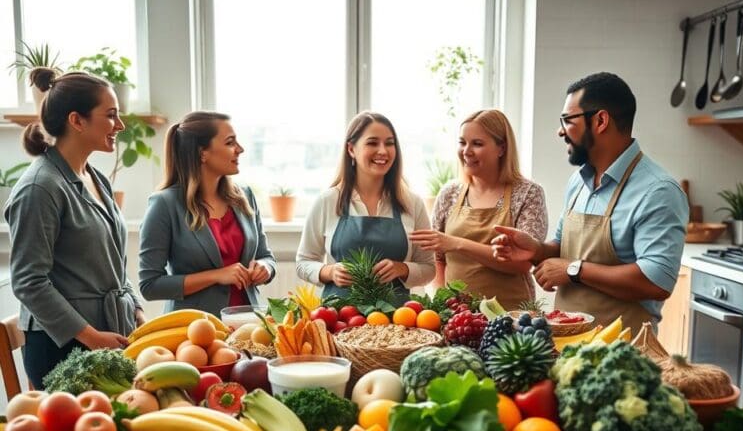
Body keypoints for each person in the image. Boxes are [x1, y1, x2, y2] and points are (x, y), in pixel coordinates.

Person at [492, 72, 688, 334]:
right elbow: (563, 247)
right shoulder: (578, 180)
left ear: (600, 121)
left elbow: (656, 281)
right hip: (567, 347)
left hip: (622, 356)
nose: (560, 130)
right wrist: (536, 250)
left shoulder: (658, 190)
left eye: (567, 120)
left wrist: (574, 270)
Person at [3, 68, 143, 388]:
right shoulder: (39, 188)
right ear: (77, 121)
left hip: (109, 336)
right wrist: (91, 337)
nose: (119, 126)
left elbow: (113, 264)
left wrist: (136, 310)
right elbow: (28, 282)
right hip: (64, 351)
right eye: (110, 116)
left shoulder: (96, 178)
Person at [139, 111, 276, 316]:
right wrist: (216, 276)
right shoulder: (164, 204)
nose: (240, 149)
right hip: (194, 329)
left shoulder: (245, 196)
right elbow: (150, 285)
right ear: (202, 152)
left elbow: (266, 256)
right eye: (230, 143)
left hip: (248, 323)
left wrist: (265, 268)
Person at [410, 109, 547, 308]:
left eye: (477, 143)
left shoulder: (528, 193)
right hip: (458, 317)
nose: (466, 151)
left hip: (512, 316)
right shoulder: (449, 193)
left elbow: (522, 263)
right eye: (462, 142)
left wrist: (458, 243)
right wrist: (443, 301)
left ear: (501, 148)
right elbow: (438, 257)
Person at [296, 111, 435, 305]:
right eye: (372, 143)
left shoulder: (412, 203)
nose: (383, 151)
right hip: (339, 318)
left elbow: (429, 268)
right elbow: (303, 262)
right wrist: (330, 271)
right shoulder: (327, 201)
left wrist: (402, 268)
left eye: (389, 143)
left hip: (396, 324)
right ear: (351, 149)